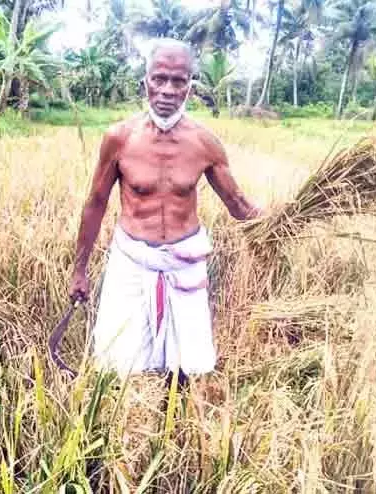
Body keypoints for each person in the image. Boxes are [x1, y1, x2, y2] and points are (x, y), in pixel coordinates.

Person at [69, 38, 262, 380]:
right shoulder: (119, 138)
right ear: (145, 82)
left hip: (184, 264)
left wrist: (285, 221)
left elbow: (238, 205)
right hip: (131, 260)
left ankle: (179, 419)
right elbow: (95, 203)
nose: (168, 90)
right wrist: (79, 270)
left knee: (190, 368)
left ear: (190, 85)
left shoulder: (205, 143)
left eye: (178, 80)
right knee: (118, 367)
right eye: (159, 78)